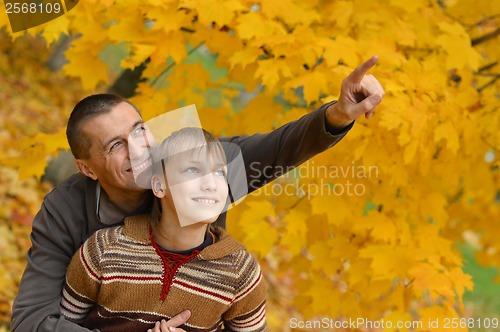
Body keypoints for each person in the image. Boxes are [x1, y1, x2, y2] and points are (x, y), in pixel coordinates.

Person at [11, 56, 385, 332]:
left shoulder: (191, 166)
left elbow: (277, 150)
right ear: (87, 169)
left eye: (140, 130)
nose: (140, 149)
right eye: (116, 146)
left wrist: (338, 114)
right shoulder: (65, 210)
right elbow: (31, 321)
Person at [60, 128, 266, 332]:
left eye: (220, 172)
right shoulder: (103, 249)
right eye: (193, 170)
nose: (211, 184)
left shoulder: (241, 272)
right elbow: (57, 326)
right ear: (159, 186)